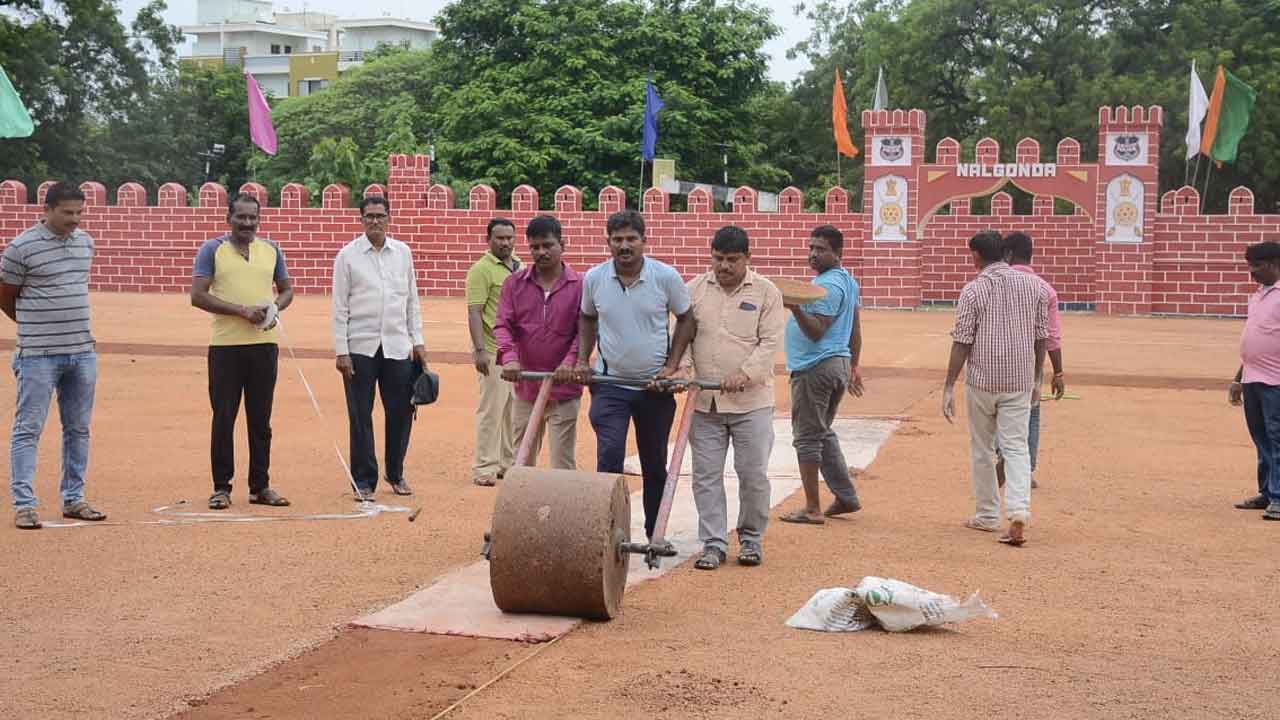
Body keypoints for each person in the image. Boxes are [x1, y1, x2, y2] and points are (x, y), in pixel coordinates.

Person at [668, 226, 784, 569]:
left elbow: (770, 342)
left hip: (752, 403)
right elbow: (681, 338)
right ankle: (713, 543)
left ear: (748, 259)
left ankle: (751, 539)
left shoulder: (767, 293)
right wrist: (684, 369)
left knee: (752, 473)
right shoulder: (692, 291)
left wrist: (744, 374)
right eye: (718, 259)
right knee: (705, 475)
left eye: (733, 260)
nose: (724, 267)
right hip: (704, 403)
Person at [574, 209, 693, 540]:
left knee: (653, 463)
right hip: (610, 385)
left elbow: (687, 319)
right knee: (609, 456)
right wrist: (584, 360)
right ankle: (607, 532)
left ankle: (655, 532)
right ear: (607, 242)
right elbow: (586, 318)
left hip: (654, 388)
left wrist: (671, 366)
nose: (624, 246)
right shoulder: (595, 278)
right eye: (617, 240)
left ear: (644, 240)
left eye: (631, 239)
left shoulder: (666, 277)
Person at [1, 183, 105, 529]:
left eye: (79, 213)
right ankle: (25, 504)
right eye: (67, 213)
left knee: (78, 428)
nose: (74, 220)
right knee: (28, 429)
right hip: (38, 355)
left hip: (82, 352)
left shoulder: (85, 244)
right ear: (47, 210)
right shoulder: (21, 247)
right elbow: (6, 297)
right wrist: (35, 323)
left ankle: (74, 498)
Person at [942, 230, 1048, 547]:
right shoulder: (1036, 286)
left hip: (983, 380)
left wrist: (948, 385)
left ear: (976, 255)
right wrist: (1038, 377)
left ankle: (987, 514)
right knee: (1016, 447)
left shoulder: (973, 291)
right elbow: (1042, 335)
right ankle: (1018, 512)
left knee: (982, 449)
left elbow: (962, 340)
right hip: (1019, 379)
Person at [191, 193, 294, 510]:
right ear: (229, 218)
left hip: (264, 346)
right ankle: (221, 487)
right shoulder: (212, 250)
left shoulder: (271, 250)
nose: (247, 223)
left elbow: (287, 290)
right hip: (226, 348)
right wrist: (240, 311)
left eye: (253, 218)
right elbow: (198, 296)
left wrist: (273, 308)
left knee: (261, 420)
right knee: (224, 417)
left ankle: (260, 486)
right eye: (241, 217)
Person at [332, 195, 429, 501]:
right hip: (360, 346)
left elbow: (411, 300)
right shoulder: (347, 256)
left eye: (380, 215)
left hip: (398, 345)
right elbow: (339, 307)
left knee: (401, 412)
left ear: (389, 218)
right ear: (361, 220)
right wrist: (341, 350)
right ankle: (363, 480)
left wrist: (418, 341)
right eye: (369, 216)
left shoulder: (403, 253)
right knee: (360, 414)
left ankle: (396, 472)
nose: (375, 221)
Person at [778, 225, 865, 526]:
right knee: (822, 432)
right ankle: (846, 496)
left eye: (821, 249)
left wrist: (795, 307)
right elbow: (855, 328)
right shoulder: (846, 282)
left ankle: (812, 508)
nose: (813, 254)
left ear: (838, 252)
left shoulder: (828, 287)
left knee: (807, 438)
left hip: (816, 367)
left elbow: (816, 332)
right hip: (835, 363)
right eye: (811, 247)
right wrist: (852, 365)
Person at [496, 216, 583, 470]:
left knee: (562, 464)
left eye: (548, 245)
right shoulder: (514, 284)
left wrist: (570, 363)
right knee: (521, 461)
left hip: (564, 389)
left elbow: (584, 333)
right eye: (535, 247)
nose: (541, 252)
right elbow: (503, 324)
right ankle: (522, 510)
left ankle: (561, 511)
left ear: (562, 245)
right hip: (526, 387)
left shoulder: (579, 285)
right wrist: (509, 357)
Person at [996, 232, 1066, 490]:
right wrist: (1057, 373)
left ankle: (1002, 455)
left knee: (997, 412)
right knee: (1030, 415)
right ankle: (1025, 468)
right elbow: (1052, 337)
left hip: (996, 361)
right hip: (1029, 366)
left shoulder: (995, 283)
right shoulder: (1045, 289)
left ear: (1007, 254)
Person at [466, 218, 520, 486]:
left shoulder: (519, 266)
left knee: (512, 411)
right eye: (500, 238)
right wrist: (479, 351)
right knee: (491, 410)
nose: (505, 243)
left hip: (516, 354)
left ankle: (507, 463)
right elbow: (475, 311)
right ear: (488, 240)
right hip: (491, 350)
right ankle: (484, 467)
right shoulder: (481, 270)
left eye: (509, 237)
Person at [1228, 241, 1280, 520]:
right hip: (1252, 378)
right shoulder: (1259, 296)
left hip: (1276, 382)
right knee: (1261, 438)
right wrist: (1238, 379)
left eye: (1256, 266)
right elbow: (1253, 341)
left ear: (1273, 264)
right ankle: (1267, 492)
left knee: (1277, 438)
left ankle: (1279, 496)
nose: (1252, 272)